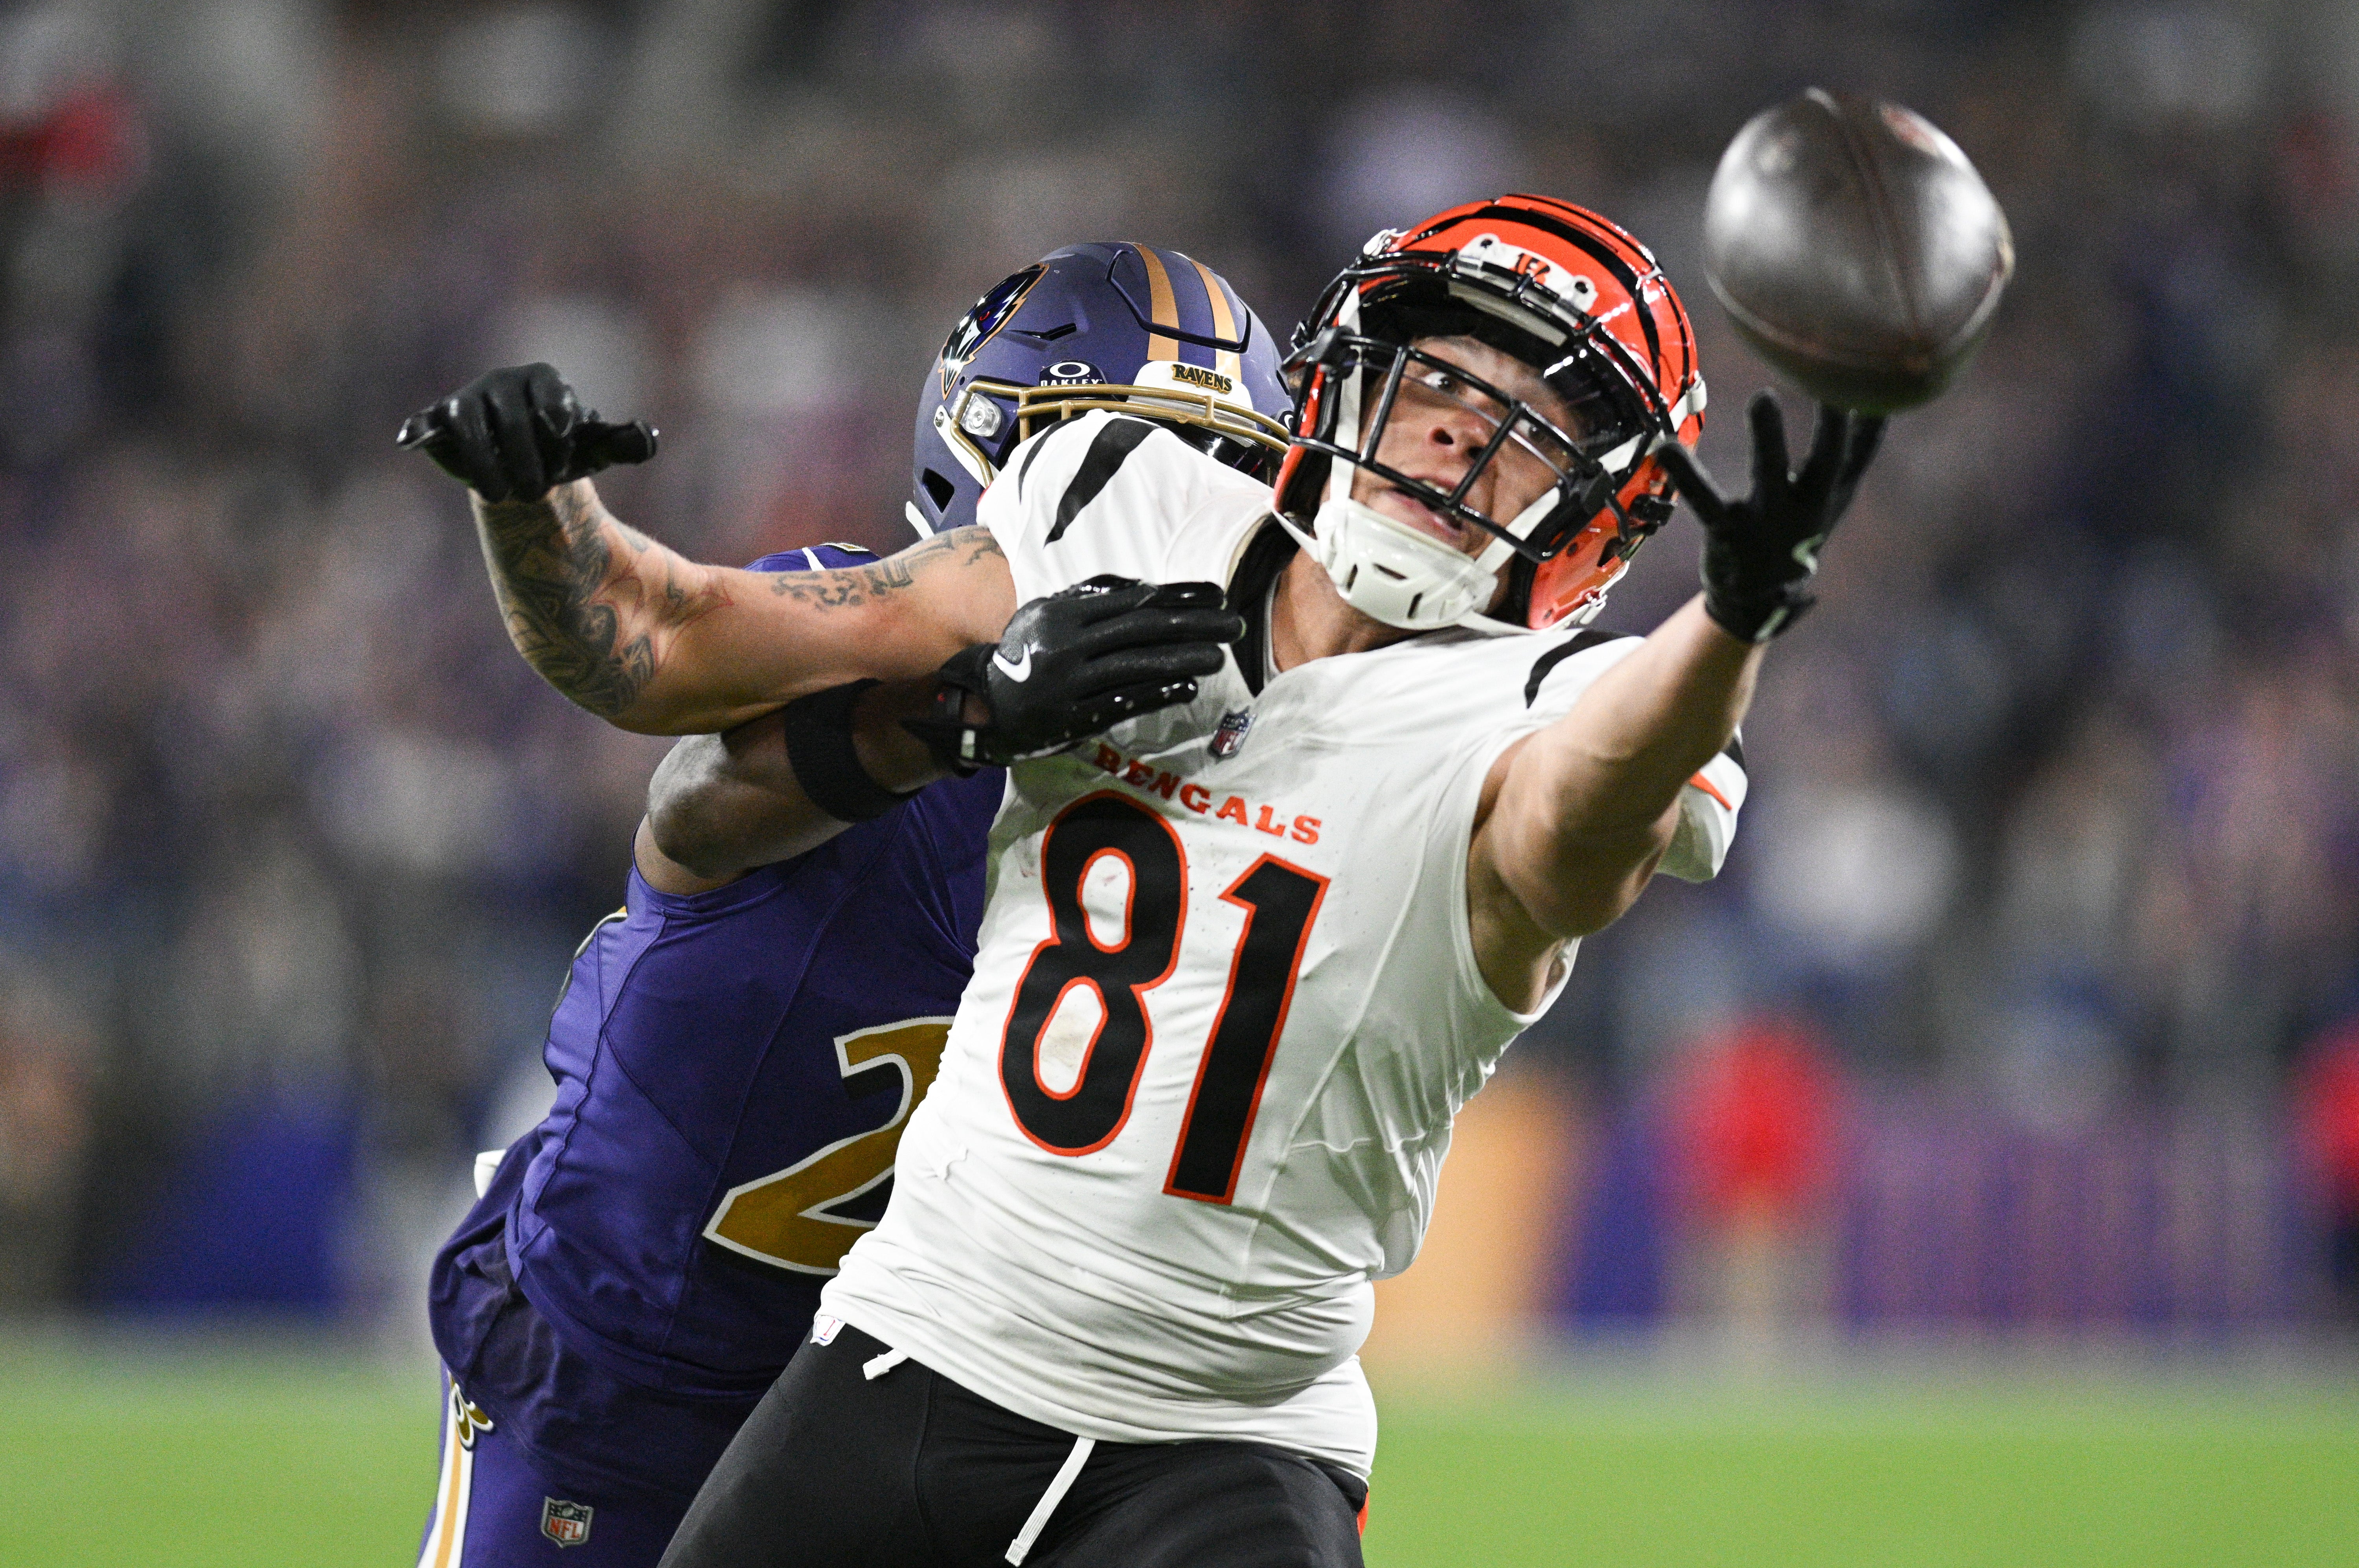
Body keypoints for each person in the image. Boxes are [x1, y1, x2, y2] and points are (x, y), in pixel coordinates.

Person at [405, 194, 1881, 1567]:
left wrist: (1733, 626)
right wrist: (542, 508)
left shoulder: (1540, 710)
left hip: (1214, 1417)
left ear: (1597, 520)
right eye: (1438, 388)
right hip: (832, 1339)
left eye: (1534, 433)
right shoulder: (1106, 519)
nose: (1461, 447)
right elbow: (673, 683)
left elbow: (1589, 806)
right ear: (1346, 380)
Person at [406, 244, 1290, 1567]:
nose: (1169, 504)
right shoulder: (896, 646)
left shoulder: (1259, 781)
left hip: (929, 1398)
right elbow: (688, 783)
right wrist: (962, 718)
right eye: (1128, 449)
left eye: (1221, 461)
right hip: (632, 1347)